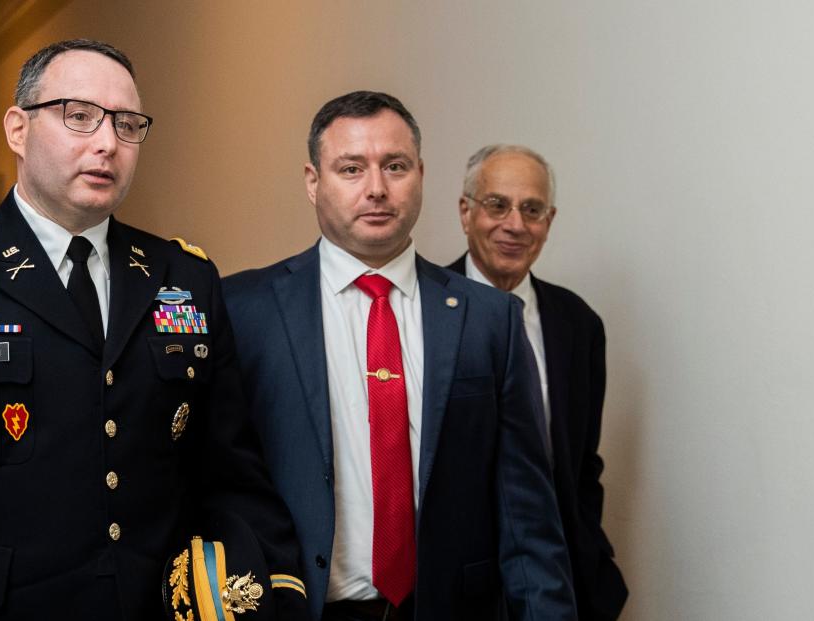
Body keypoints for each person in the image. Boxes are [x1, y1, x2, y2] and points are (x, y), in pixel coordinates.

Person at [0, 39, 307, 620]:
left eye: (128, 125)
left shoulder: (184, 277)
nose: (107, 142)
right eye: (79, 116)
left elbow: (231, 470)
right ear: (17, 130)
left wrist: (276, 590)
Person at [223, 91, 576, 620]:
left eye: (395, 166)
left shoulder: (489, 320)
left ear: (421, 175)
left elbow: (528, 517)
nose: (377, 189)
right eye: (350, 168)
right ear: (312, 181)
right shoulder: (242, 311)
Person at [446, 144, 628, 620]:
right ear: (466, 213)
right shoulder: (422, 310)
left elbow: (582, 463)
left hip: (560, 583)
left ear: (549, 221)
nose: (515, 224)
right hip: (454, 587)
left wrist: (590, 549)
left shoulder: (579, 324)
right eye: (496, 204)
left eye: (532, 209)